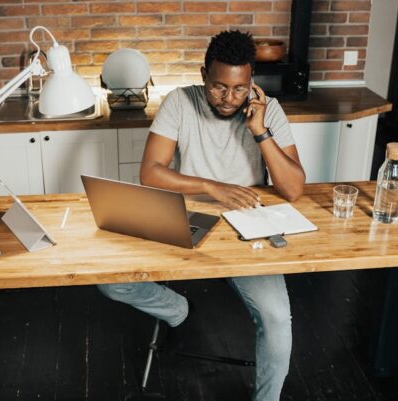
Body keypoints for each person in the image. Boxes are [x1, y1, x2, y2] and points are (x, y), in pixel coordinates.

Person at [97, 30, 306, 401]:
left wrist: (260, 132)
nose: (228, 99)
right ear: (202, 75)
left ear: (251, 83)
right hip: (185, 215)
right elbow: (151, 172)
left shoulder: (268, 110)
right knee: (111, 282)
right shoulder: (179, 102)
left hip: (248, 227)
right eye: (218, 87)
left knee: (277, 320)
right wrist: (212, 187)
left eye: (239, 89)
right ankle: (176, 309)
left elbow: (292, 188)